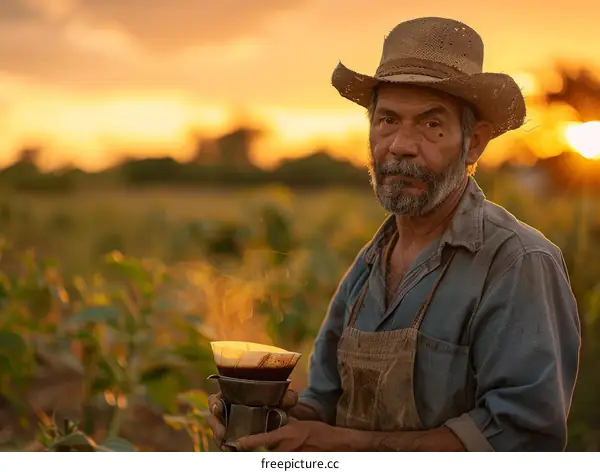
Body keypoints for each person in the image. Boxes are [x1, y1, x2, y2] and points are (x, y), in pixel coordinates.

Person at [207, 16, 581, 452]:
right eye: (387, 120)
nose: (401, 144)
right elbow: (325, 404)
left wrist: (341, 446)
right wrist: (279, 420)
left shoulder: (517, 262)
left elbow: (521, 438)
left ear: (474, 142)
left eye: (431, 125)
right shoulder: (368, 268)